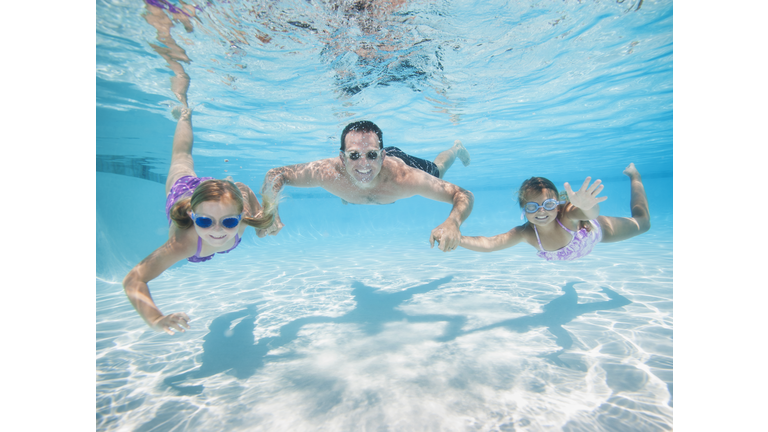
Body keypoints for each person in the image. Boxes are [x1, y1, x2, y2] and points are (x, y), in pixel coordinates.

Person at [259, 120, 473, 251]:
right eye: (354, 156)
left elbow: (463, 194)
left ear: (381, 156)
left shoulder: (405, 177)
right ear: (342, 158)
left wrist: (453, 222)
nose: (364, 164)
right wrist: (270, 209)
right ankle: (348, 193)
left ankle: (456, 148)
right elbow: (275, 174)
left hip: (398, 164)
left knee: (438, 169)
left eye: (371, 155)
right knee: (347, 187)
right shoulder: (327, 173)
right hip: (348, 186)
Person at [458, 164, 650, 261]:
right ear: (524, 210)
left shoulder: (566, 213)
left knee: (643, 222)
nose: (541, 212)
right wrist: (458, 239)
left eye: (548, 204)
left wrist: (586, 206)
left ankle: (635, 176)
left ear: (557, 204)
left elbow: (591, 214)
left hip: (599, 232)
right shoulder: (525, 233)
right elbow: (490, 243)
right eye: (532, 207)